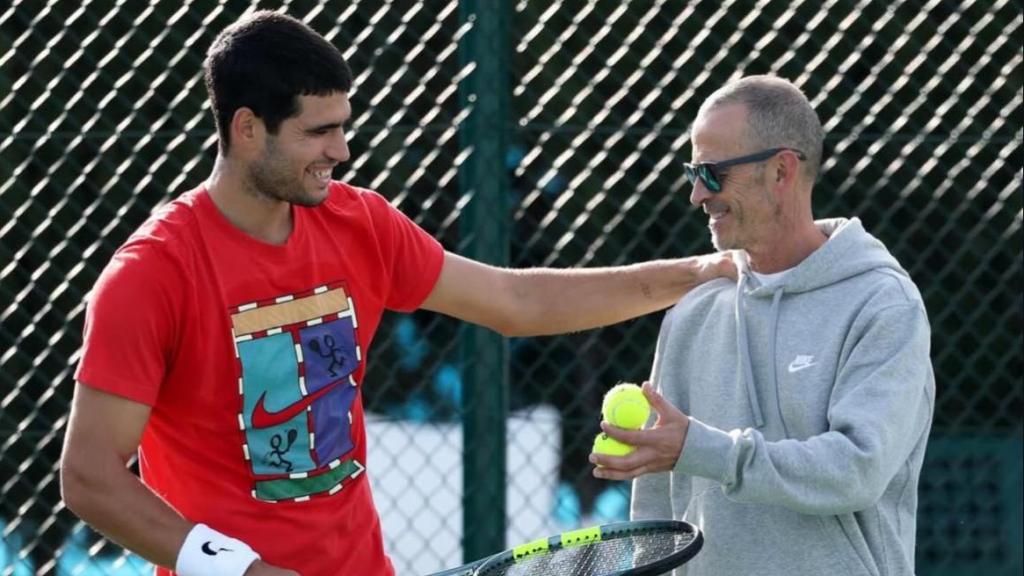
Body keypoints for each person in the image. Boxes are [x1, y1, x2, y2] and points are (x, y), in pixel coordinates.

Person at [58, 11, 734, 576]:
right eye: (318, 132)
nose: (341, 150)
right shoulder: (152, 273)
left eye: (343, 126)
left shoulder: (362, 225)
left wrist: (693, 273)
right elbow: (89, 475)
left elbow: (515, 302)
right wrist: (239, 568)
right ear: (246, 129)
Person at [590, 75, 935, 576]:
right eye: (692, 171)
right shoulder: (694, 310)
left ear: (781, 171)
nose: (695, 195)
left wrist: (707, 450)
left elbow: (856, 471)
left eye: (712, 173)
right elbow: (657, 511)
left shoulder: (883, 304)